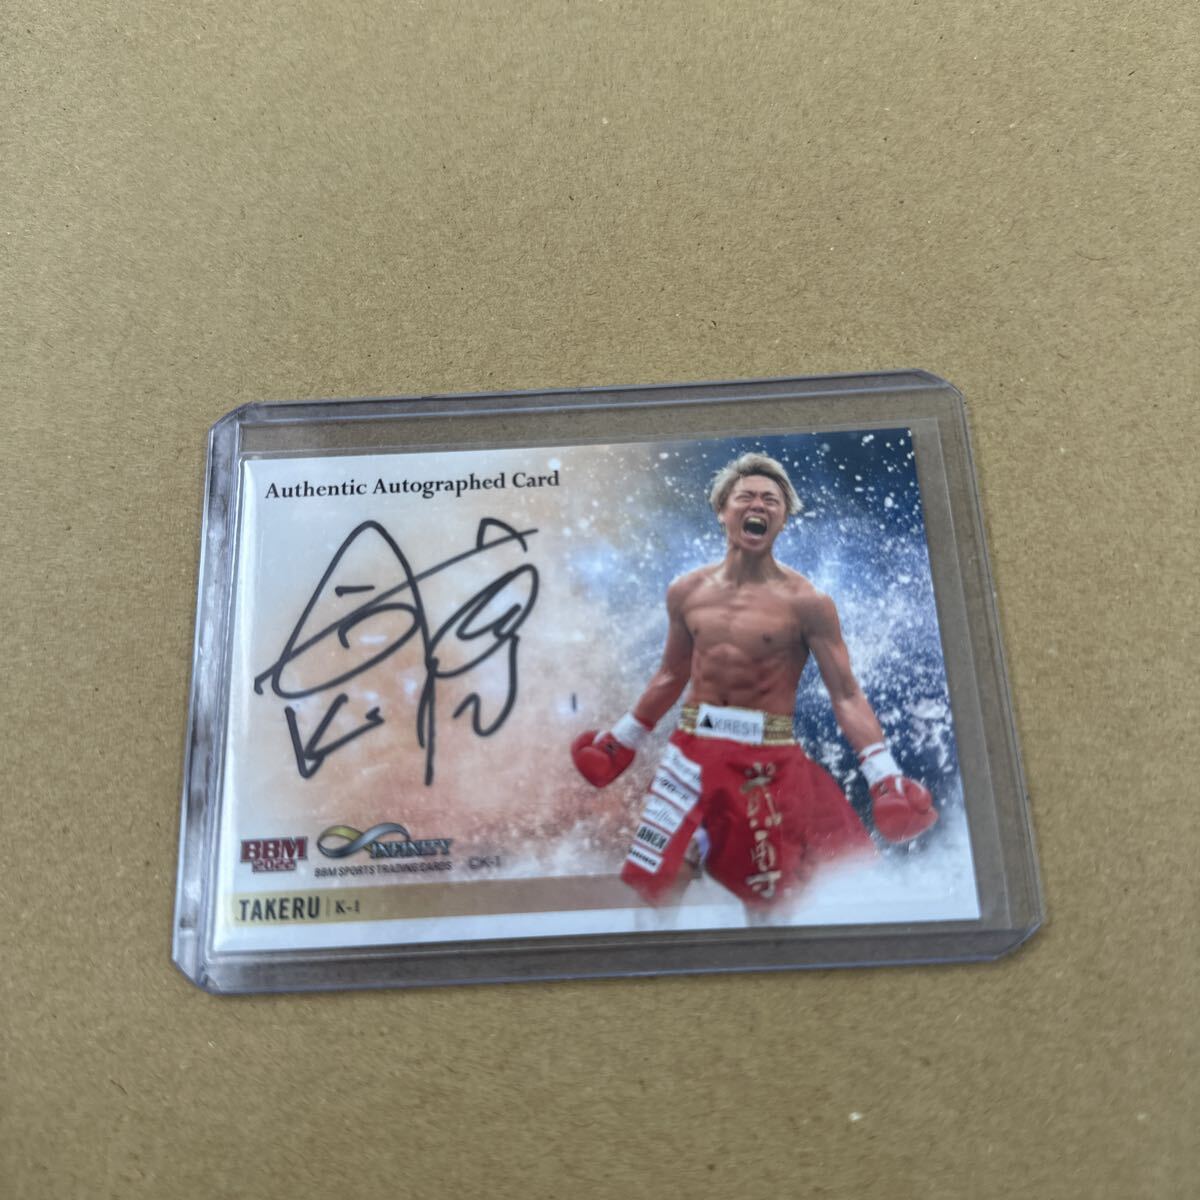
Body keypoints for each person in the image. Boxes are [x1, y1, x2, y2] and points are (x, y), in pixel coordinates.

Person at [571, 452, 937, 910]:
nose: (758, 505)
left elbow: (845, 693)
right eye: (746, 496)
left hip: (766, 762)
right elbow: (671, 674)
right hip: (691, 755)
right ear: (722, 510)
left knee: (768, 895)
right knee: (660, 880)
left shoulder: (808, 603)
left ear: (783, 518)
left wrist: (883, 775)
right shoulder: (686, 591)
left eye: (771, 499)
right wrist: (622, 739)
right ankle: (653, 956)